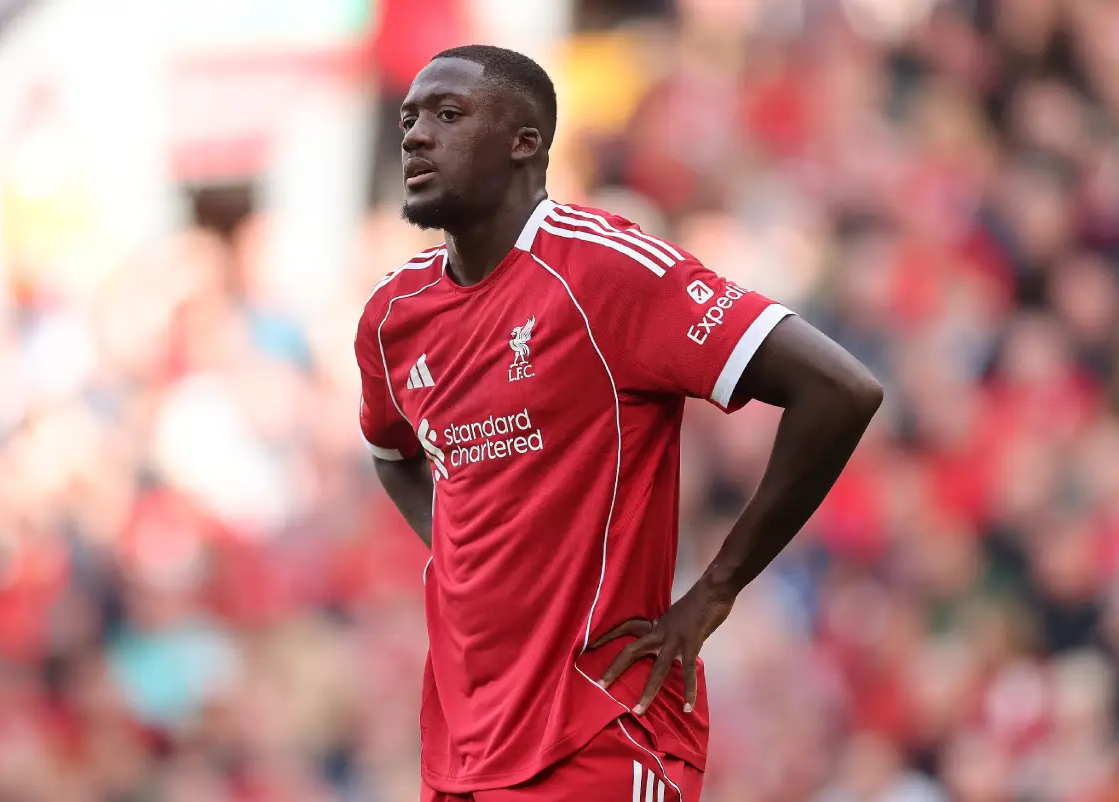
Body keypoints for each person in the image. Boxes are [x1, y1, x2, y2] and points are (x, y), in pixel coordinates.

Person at [354, 45, 883, 801]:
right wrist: (458, 546)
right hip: (463, 746)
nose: (414, 135)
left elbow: (838, 387)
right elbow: (390, 452)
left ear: (524, 141)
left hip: (600, 729)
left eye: (447, 114)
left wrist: (714, 592)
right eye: (408, 118)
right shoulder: (392, 316)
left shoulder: (606, 271)